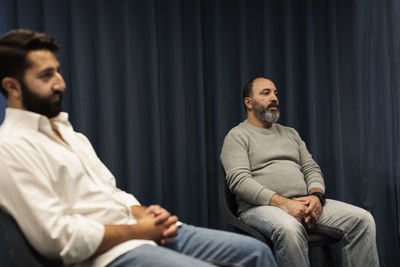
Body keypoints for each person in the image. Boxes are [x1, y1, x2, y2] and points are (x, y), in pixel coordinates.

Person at [0, 29, 277, 267]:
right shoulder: (10, 148)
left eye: (58, 71)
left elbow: (110, 194)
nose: (61, 83)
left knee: (257, 252)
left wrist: (143, 213)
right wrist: (138, 232)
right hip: (105, 255)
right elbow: (58, 239)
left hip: (139, 231)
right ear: (12, 86)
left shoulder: (68, 133)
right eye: (46, 76)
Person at [220, 77, 380, 267]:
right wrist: (284, 204)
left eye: (276, 93)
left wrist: (316, 197)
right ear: (248, 102)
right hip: (259, 209)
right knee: (289, 228)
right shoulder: (237, 136)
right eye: (266, 93)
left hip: (303, 202)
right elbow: (240, 182)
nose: (274, 98)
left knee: (363, 220)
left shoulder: (290, 134)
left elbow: (311, 168)